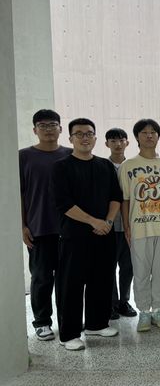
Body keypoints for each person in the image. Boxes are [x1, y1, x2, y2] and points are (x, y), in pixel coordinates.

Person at [51, 118, 123, 350]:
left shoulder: (104, 165)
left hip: (104, 233)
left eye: (89, 133)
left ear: (95, 137)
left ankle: (96, 324)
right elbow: (63, 203)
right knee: (71, 285)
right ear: (70, 138)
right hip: (74, 236)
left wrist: (108, 221)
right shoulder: (61, 167)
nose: (85, 138)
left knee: (102, 280)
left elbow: (115, 197)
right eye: (79, 134)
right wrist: (94, 221)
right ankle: (69, 334)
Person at [119, 119, 160, 333]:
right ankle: (144, 312)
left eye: (153, 132)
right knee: (141, 271)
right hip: (139, 227)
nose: (149, 135)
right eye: (144, 132)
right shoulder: (128, 165)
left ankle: (157, 309)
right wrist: (126, 226)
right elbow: (125, 199)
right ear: (137, 137)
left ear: (158, 136)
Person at [20, 109, 72, 341]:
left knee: (67, 279)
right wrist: (22, 225)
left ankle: (67, 320)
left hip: (69, 229)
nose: (48, 129)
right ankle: (42, 322)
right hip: (39, 227)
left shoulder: (71, 154)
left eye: (53, 125)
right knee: (41, 278)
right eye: (43, 125)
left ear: (60, 128)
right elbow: (19, 194)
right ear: (35, 130)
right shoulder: (24, 157)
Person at [105, 128, 135, 319]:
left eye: (121, 140)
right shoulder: (101, 165)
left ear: (127, 143)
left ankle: (124, 301)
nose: (117, 144)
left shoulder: (133, 166)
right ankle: (111, 303)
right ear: (106, 143)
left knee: (128, 266)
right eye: (113, 141)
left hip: (130, 225)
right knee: (108, 266)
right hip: (107, 225)